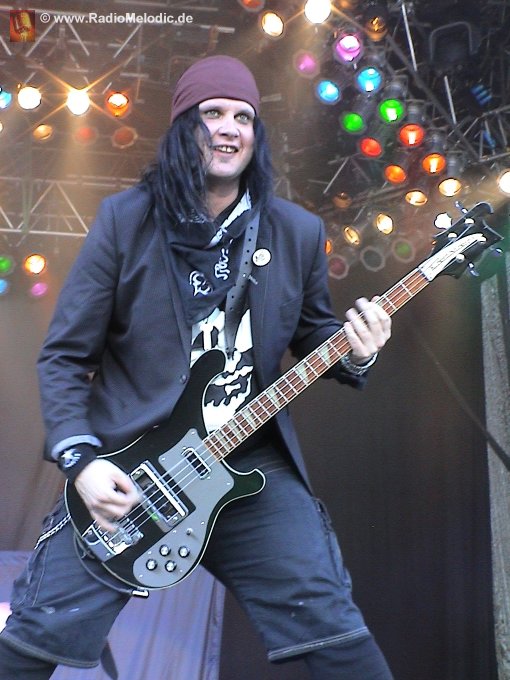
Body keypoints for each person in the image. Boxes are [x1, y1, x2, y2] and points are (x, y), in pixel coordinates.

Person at [0, 55, 393, 679]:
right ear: (185, 125)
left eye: (244, 117)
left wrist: (359, 349)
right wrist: (81, 461)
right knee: (33, 639)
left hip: (247, 461)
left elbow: (314, 330)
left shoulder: (294, 231)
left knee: (333, 629)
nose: (230, 129)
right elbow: (66, 356)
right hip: (134, 465)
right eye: (213, 113)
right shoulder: (127, 221)